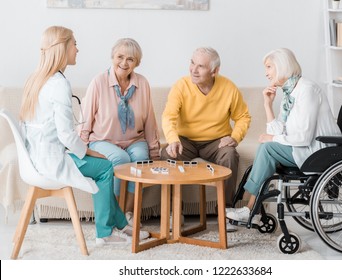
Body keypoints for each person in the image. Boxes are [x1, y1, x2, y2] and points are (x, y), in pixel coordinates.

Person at [19, 26, 149, 245]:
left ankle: (121, 223)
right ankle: (105, 234)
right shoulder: (59, 83)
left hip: (36, 160)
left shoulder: (36, 79)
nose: (77, 50)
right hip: (51, 161)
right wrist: (87, 151)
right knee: (106, 167)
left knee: (104, 164)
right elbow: (67, 136)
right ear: (63, 48)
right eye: (75, 44)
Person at [226, 48, 342, 223]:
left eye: (269, 67)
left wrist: (272, 139)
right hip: (305, 149)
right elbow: (278, 130)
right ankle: (251, 209)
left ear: (282, 66)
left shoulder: (306, 90)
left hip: (319, 151)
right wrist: (268, 105)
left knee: (268, 148)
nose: (266, 73)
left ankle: (249, 209)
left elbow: (303, 136)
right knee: (268, 147)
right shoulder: (290, 93)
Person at [79, 38, 160, 226]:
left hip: (134, 139)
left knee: (140, 157)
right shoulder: (99, 82)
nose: (124, 63)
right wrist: (82, 145)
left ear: (137, 63)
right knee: (120, 158)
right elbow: (86, 116)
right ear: (112, 57)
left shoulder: (142, 83)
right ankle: (114, 213)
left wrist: (154, 151)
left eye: (130, 59)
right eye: (120, 57)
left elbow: (149, 119)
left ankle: (128, 212)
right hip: (102, 139)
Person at [161, 46, 251, 211]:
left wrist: (234, 137)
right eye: (192, 63)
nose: (193, 70)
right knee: (167, 153)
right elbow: (169, 116)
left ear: (214, 71)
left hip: (216, 142)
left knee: (230, 155)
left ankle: (225, 209)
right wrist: (172, 139)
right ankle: (174, 210)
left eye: (200, 66)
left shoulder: (229, 88)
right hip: (185, 141)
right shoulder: (181, 86)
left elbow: (243, 117)